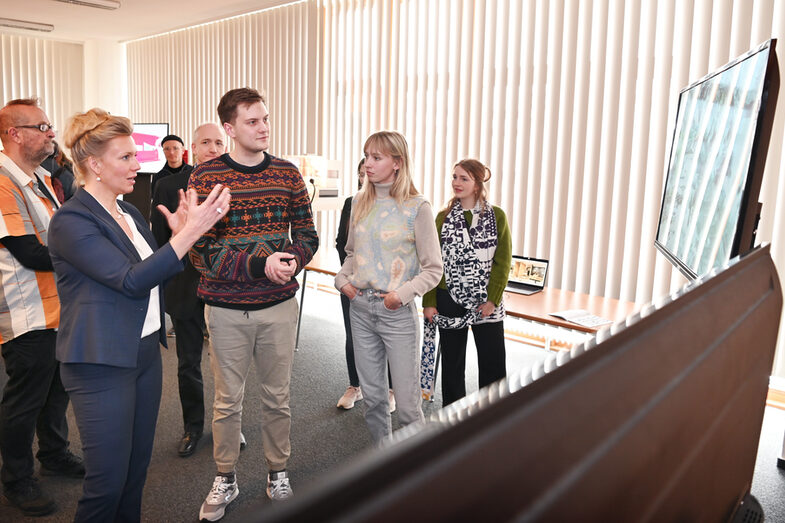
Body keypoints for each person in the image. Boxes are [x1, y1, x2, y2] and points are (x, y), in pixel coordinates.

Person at [48, 108, 230, 522]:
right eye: (126, 157)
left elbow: (158, 274)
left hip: (144, 352)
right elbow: (129, 281)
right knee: (105, 485)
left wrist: (181, 235)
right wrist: (186, 235)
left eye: (135, 155)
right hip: (100, 362)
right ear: (94, 164)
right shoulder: (71, 221)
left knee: (134, 474)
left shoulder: (128, 213)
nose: (138, 164)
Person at [189, 87, 318, 521]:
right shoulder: (205, 179)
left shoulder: (286, 174)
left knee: (277, 397)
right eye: (252, 121)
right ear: (229, 128)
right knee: (228, 401)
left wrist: (291, 261)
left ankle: (277, 471)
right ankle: (225, 476)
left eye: (265, 118)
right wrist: (260, 265)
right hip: (225, 311)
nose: (263, 127)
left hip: (278, 308)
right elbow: (198, 250)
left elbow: (307, 235)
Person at [0, 98, 84, 518]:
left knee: (56, 392)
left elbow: (60, 234)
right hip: (26, 314)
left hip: (58, 308)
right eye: (42, 126)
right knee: (24, 400)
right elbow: (30, 252)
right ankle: (16, 479)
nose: (52, 133)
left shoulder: (42, 178)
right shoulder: (2, 181)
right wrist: (85, 255)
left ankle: (53, 454)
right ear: (15, 134)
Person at [334, 131, 442, 445]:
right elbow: (352, 253)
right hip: (361, 310)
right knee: (374, 400)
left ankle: (415, 472)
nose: (367, 163)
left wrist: (400, 296)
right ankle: (384, 463)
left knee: (408, 406)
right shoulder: (358, 202)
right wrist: (343, 281)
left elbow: (433, 269)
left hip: (396, 312)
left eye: (376, 157)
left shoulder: (417, 207)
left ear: (397, 162)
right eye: (366, 156)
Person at [151, 122, 229, 458]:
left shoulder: (237, 185)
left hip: (227, 289)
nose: (213, 149)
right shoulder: (169, 186)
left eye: (219, 143)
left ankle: (229, 426)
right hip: (185, 287)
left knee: (229, 365)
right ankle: (193, 427)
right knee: (188, 364)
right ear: (193, 149)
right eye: (206, 143)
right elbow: (159, 242)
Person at [422, 159, 512, 406]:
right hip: (448, 297)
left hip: (486, 301)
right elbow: (432, 263)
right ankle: (453, 416)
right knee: (452, 362)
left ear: (477, 184)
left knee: (493, 362)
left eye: (463, 178)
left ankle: (493, 416)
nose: (456, 183)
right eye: (454, 177)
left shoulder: (498, 217)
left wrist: (493, 299)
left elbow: (503, 263)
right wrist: (429, 302)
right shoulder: (442, 218)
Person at [334, 158, 395, 412]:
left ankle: (391, 390)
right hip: (354, 285)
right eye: (360, 174)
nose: (364, 178)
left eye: (368, 172)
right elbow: (342, 244)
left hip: (386, 287)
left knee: (388, 339)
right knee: (354, 337)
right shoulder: (352, 203)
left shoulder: (398, 204)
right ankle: (355, 386)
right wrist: (352, 278)